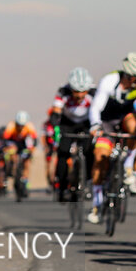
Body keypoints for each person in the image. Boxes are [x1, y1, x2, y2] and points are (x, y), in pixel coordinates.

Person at [87, 53, 136, 224]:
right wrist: (95, 125)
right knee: (100, 158)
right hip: (106, 120)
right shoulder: (109, 81)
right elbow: (96, 107)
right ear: (131, 77)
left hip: (125, 118)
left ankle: (128, 165)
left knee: (135, 129)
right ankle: (96, 204)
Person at [47, 67, 95, 199]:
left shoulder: (94, 92)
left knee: (89, 151)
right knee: (63, 152)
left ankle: (88, 181)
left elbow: (99, 111)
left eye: (83, 92)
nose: (79, 95)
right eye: (76, 92)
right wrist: (55, 127)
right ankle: (62, 186)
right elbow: (56, 112)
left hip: (86, 123)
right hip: (67, 123)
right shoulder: (63, 91)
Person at [2, 111, 39, 194]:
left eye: (22, 125)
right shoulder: (11, 126)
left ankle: (25, 180)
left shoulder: (29, 126)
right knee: (12, 155)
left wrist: (31, 149)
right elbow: (5, 139)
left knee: (27, 162)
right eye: (19, 125)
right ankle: (11, 169)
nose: (20, 127)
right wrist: (9, 148)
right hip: (13, 142)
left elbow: (34, 140)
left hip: (24, 143)